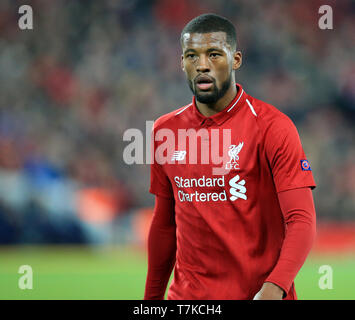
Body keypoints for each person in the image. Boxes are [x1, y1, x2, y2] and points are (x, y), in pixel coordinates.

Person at [144, 13, 316, 300]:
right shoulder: (166, 130)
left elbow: (301, 220)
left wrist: (275, 288)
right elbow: (164, 224)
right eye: (191, 56)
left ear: (236, 60)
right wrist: (150, 301)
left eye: (214, 54)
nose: (202, 66)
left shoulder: (272, 127)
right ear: (182, 63)